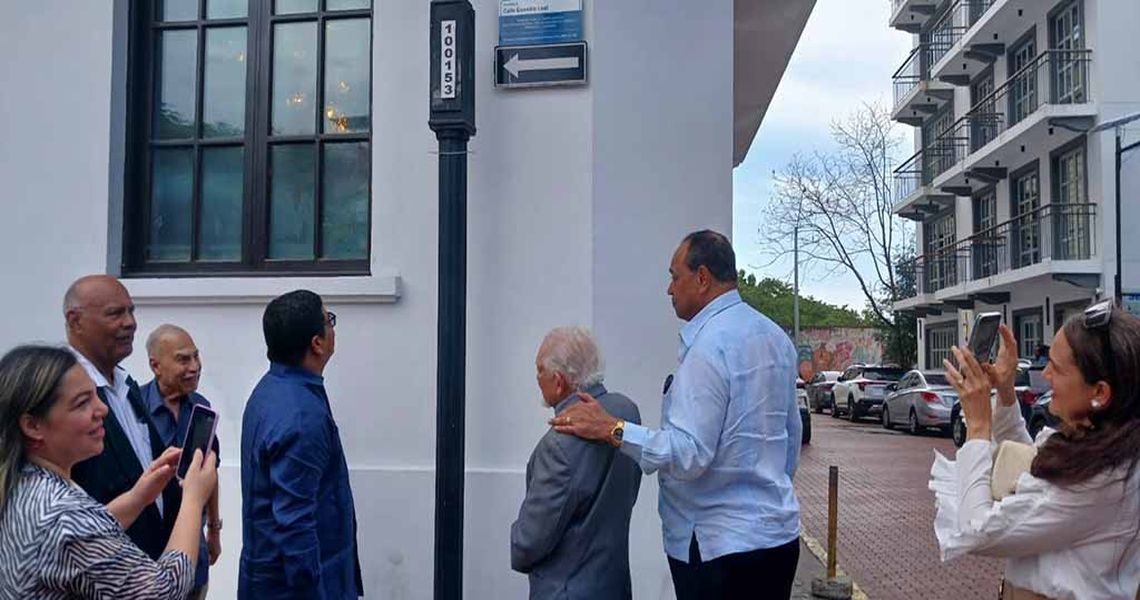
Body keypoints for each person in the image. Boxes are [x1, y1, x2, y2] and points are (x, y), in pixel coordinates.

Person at [554, 230, 803, 599]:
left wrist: (613, 429)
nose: (669, 290)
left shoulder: (709, 347)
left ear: (702, 278)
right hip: (776, 542)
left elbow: (688, 455)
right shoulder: (775, 338)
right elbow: (790, 439)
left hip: (718, 550)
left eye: (674, 277)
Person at [933, 300, 1140, 600]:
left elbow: (977, 532)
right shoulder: (1101, 448)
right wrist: (1005, 391)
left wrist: (978, 427)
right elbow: (1031, 467)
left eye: (1056, 368)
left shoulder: (1103, 479)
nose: (1045, 375)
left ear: (1099, 392)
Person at [0, 345, 218, 599]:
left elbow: (80, 543)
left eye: (95, 395)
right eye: (82, 403)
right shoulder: (64, 515)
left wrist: (138, 497)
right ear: (32, 425)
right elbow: (164, 591)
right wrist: (193, 499)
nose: (102, 409)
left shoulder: (23, 482)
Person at [239, 290, 363, 599]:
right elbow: (295, 526)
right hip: (294, 587)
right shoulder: (300, 415)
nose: (333, 328)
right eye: (328, 320)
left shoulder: (272, 390)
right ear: (317, 343)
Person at [510, 327, 642, 599]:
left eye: (539, 371)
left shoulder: (559, 443)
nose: (536, 379)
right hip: (614, 586)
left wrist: (517, 542)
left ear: (559, 382)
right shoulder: (627, 412)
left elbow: (530, 541)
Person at [65, 274, 180, 559]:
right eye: (115, 313)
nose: (130, 323)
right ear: (75, 320)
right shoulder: (58, 395)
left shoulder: (126, 386)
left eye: (131, 311)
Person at [142, 324, 221, 600]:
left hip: (194, 555)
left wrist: (213, 530)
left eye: (196, 357)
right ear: (156, 365)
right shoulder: (136, 409)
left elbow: (210, 473)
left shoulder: (201, 409)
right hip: (149, 559)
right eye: (183, 359)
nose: (195, 367)